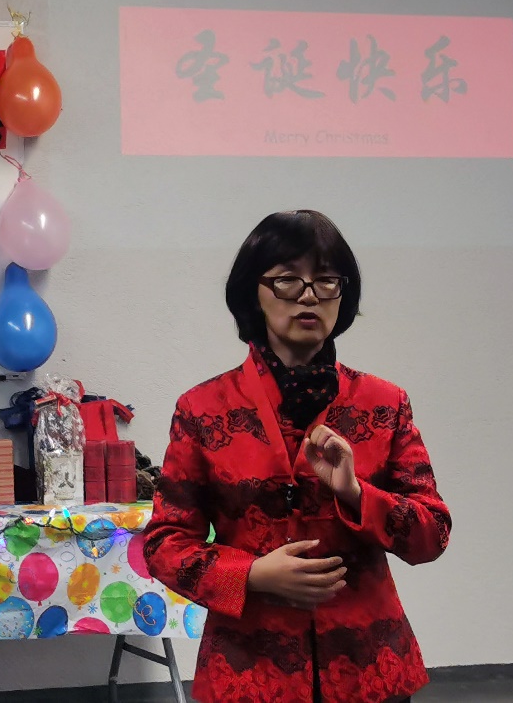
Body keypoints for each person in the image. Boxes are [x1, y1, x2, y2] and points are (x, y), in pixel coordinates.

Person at [142, 210, 450, 703]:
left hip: (369, 666)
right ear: (253, 292)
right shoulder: (203, 408)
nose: (309, 295)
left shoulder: (384, 403)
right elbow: (163, 542)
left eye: (326, 280)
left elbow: (433, 534)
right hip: (249, 669)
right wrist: (250, 575)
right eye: (288, 280)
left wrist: (354, 494)